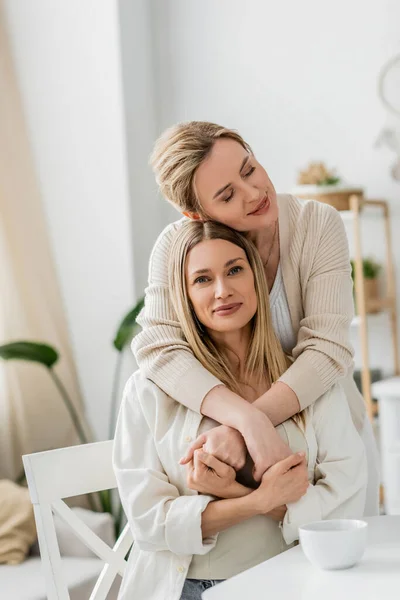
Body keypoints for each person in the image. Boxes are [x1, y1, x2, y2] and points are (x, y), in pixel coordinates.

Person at [132, 121, 379, 515]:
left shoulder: (318, 225)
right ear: (195, 214)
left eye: (249, 169)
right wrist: (246, 421)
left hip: (329, 446)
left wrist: (245, 428)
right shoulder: (177, 248)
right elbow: (157, 347)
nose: (254, 193)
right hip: (235, 460)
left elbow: (327, 350)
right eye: (227, 195)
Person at [113, 221, 367, 600]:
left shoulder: (307, 382)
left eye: (234, 270)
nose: (222, 291)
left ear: (256, 278)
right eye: (202, 279)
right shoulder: (149, 392)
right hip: (189, 589)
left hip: (292, 584)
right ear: (184, 296)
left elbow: (342, 506)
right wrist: (259, 500)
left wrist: (231, 492)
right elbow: (149, 525)